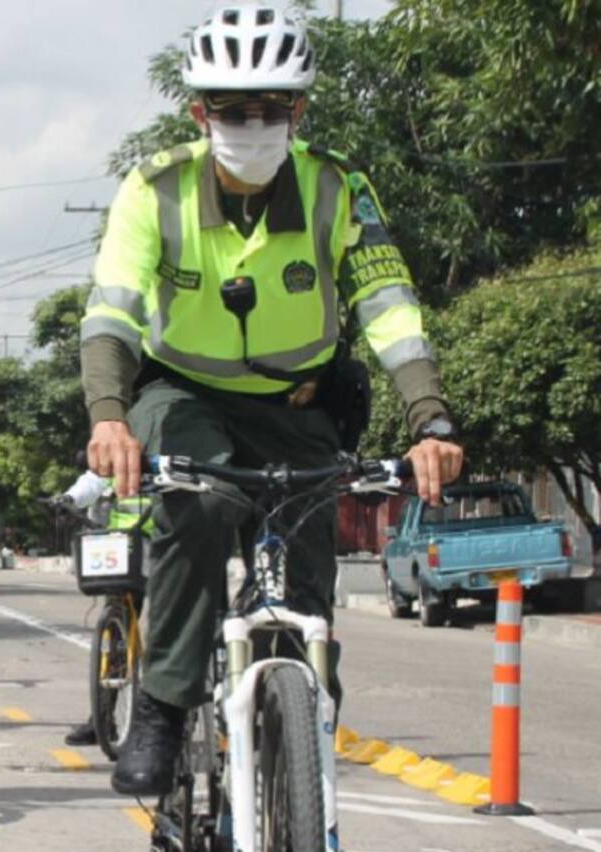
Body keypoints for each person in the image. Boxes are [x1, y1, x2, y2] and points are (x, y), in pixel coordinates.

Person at [81, 5, 464, 797]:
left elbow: (387, 303)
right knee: (199, 499)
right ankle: (162, 703)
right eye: (231, 108)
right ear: (199, 112)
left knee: (306, 561)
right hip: (181, 394)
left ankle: (304, 708)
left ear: (299, 110)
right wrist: (110, 416)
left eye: (269, 108)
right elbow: (112, 309)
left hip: (299, 406)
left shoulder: (337, 188)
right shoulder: (154, 189)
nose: (251, 123)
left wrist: (430, 418)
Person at [54, 470, 153, 747]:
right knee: (116, 637)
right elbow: (94, 479)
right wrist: (69, 498)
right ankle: (102, 719)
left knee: (162, 628)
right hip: (123, 544)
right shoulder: (118, 443)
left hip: (164, 540)